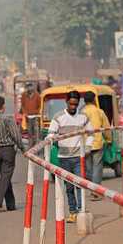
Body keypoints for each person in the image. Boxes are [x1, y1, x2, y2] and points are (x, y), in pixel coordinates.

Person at [47, 91, 94, 222]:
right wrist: (51, 138)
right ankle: (72, 211)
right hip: (64, 157)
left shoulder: (83, 117)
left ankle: (81, 210)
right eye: (71, 104)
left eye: (76, 104)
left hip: (79, 157)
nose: (73, 106)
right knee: (69, 187)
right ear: (66, 102)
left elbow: (91, 134)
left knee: (80, 184)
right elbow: (50, 134)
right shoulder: (58, 117)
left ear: (79, 103)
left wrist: (88, 148)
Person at [0, 96, 25, 212]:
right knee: (5, 177)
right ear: (3, 106)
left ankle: (11, 204)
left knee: (5, 177)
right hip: (8, 150)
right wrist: (22, 148)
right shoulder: (8, 118)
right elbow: (16, 135)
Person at [81, 92, 111, 201]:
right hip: (97, 142)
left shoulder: (81, 112)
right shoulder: (99, 111)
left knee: (88, 169)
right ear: (94, 100)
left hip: (85, 144)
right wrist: (109, 139)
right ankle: (96, 191)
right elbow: (106, 127)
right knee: (97, 167)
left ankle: (92, 189)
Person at [20, 82, 41, 147]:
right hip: (28, 117)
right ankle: (30, 147)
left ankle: (36, 148)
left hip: (35, 117)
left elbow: (40, 106)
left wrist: (36, 112)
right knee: (30, 134)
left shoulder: (37, 95)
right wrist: (25, 112)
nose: (29, 88)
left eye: (30, 86)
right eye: (28, 87)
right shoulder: (24, 95)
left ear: (32, 87)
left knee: (36, 133)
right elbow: (22, 105)